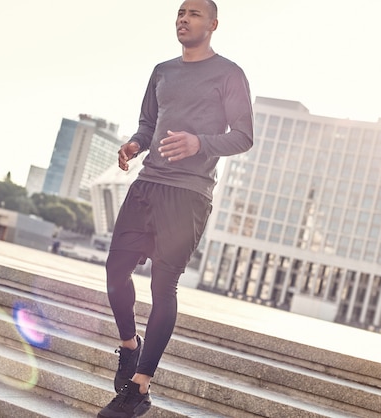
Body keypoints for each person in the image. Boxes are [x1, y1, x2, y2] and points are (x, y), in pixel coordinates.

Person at [97, 0, 253, 416]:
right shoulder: (162, 71)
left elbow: (243, 136)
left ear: (213, 24)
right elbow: (149, 124)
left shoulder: (230, 74)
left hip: (189, 195)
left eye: (194, 14)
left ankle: (139, 388)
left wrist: (200, 142)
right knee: (115, 271)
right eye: (180, 13)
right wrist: (135, 143)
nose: (183, 19)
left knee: (162, 288)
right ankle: (130, 346)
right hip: (147, 183)